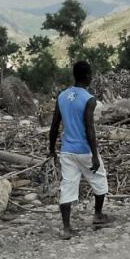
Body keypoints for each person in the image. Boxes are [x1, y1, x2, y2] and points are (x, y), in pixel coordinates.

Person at [47, 60, 110, 239]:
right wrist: (95, 155)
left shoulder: (62, 96)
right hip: (84, 150)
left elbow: (54, 126)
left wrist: (51, 149)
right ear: (88, 76)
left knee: (67, 186)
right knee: (99, 179)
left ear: (74, 75)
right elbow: (90, 129)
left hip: (67, 150)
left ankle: (67, 228)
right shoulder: (89, 99)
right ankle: (98, 215)